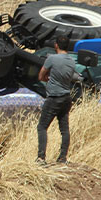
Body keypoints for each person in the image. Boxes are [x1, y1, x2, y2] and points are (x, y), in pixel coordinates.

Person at [37, 36, 81, 164]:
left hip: (54, 97)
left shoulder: (52, 58)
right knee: (64, 129)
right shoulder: (72, 61)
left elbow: (41, 76)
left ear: (56, 45)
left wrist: (48, 78)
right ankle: (62, 158)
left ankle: (41, 158)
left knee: (42, 127)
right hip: (66, 98)